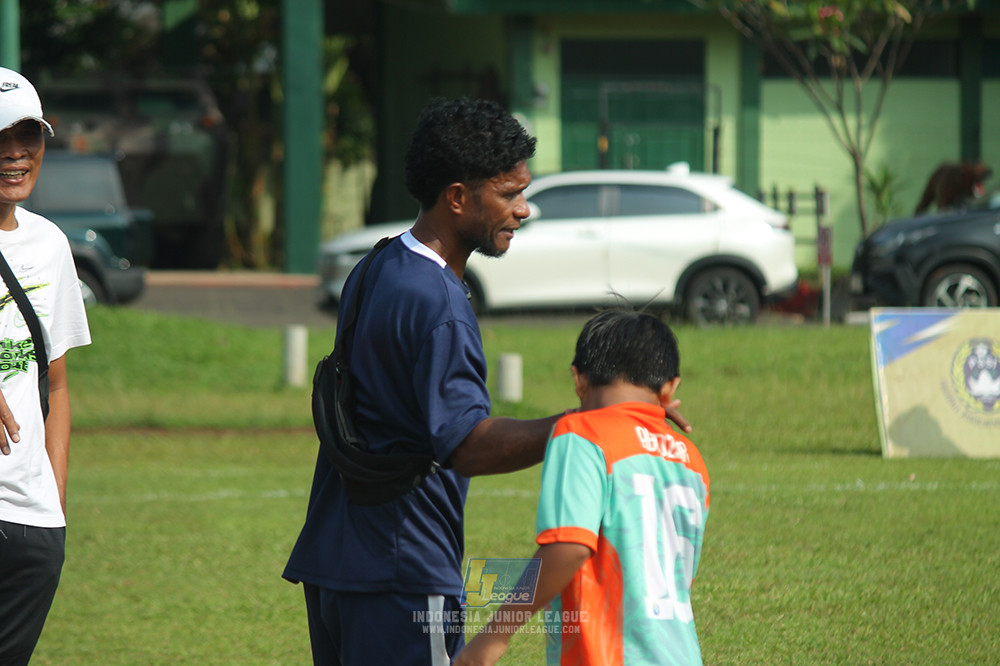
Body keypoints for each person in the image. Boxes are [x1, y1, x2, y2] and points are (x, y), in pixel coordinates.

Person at [283, 97, 690, 665]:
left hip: (336, 561)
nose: (524, 210)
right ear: (457, 197)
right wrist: (594, 422)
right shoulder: (439, 302)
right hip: (401, 571)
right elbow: (467, 446)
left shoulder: (377, 265)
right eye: (509, 194)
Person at [454, 310, 710, 666]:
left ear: (578, 381)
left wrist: (492, 638)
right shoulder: (690, 458)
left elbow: (569, 545)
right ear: (670, 387)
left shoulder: (581, 433)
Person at [0, 67, 92, 665]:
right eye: (0, 137)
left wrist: (52, 506)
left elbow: (54, 383)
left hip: (32, 524)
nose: (15, 153)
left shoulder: (51, 245)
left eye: (28, 135)